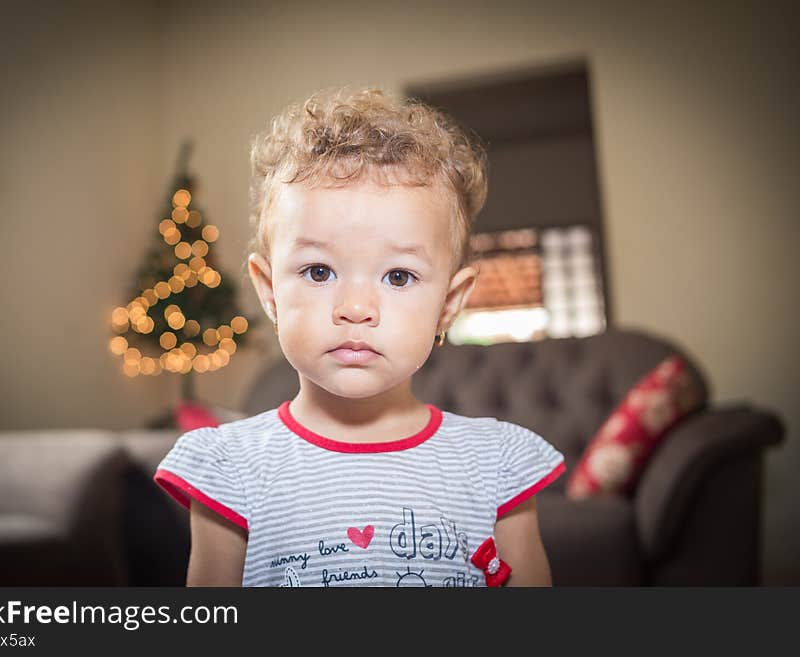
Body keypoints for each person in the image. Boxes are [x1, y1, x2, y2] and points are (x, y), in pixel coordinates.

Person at [154, 86, 565, 587]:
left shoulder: (497, 467)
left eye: (398, 277)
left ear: (449, 305)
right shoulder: (229, 470)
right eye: (319, 271)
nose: (354, 310)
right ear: (269, 291)